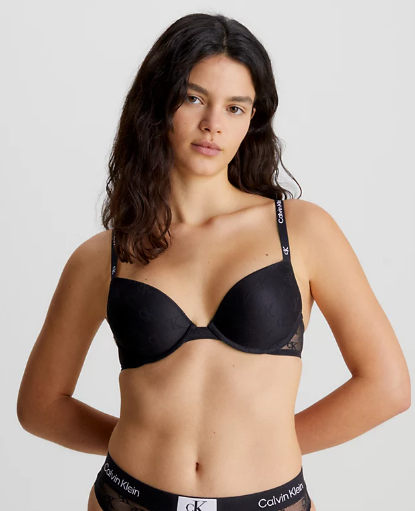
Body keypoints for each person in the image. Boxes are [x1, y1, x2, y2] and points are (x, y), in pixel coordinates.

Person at [17, 12, 410, 511]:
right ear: (157, 103)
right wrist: (141, 440)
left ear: (252, 120)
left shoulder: (302, 231)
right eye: (194, 98)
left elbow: (387, 386)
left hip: (270, 501)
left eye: (235, 107)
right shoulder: (103, 255)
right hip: (129, 498)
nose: (213, 124)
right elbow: (40, 406)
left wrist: (270, 443)